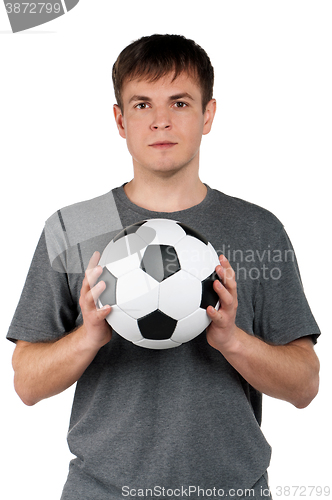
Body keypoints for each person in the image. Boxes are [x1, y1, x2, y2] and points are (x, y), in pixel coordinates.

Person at [7, 34, 320, 500]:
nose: (160, 122)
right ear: (119, 119)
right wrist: (89, 335)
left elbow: (305, 385)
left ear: (208, 114)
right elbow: (27, 384)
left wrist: (233, 340)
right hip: (102, 492)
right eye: (141, 105)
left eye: (179, 102)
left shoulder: (257, 229)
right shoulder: (76, 227)